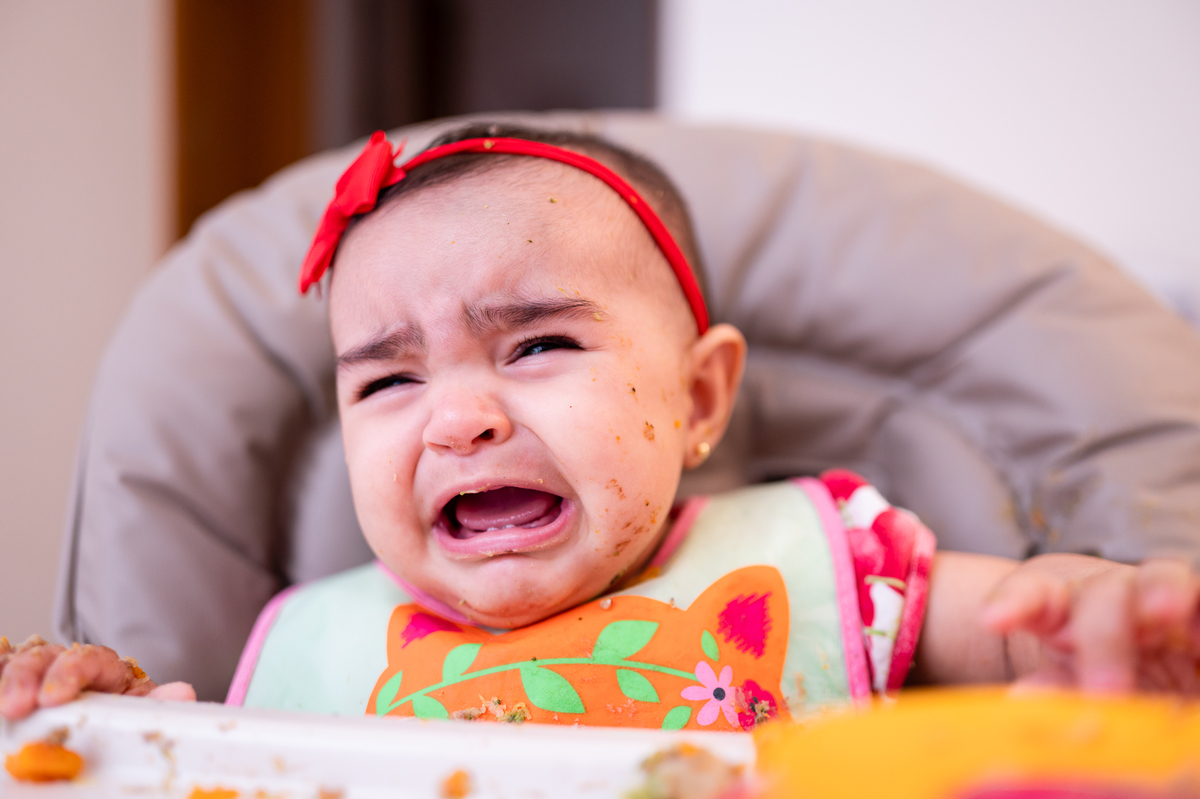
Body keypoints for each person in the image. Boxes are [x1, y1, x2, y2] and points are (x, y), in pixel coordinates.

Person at [3, 125, 1199, 729]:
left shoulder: (834, 560)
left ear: (697, 400)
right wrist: (98, 712)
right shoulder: (299, 658)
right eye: (387, 383)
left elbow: (1024, 633)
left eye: (536, 346)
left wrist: (1106, 614)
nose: (461, 419)